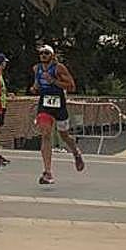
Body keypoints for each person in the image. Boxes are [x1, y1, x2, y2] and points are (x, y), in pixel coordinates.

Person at [32, 44, 85, 185]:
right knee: (45, 133)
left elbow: (72, 86)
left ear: (52, 55)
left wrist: (54, 81)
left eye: (46, 53)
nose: (43, 55)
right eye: (41, 53)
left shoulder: (59, 68)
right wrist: (35, 88)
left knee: (64, 135)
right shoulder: (36, 68)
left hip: (59, 104)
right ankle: (47, 172)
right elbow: (37, 84)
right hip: (45, 104)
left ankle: (76, 152)